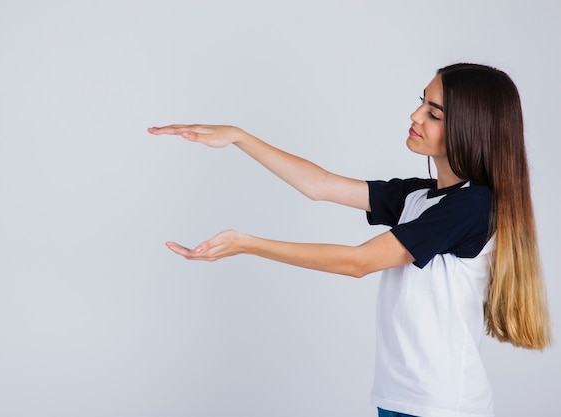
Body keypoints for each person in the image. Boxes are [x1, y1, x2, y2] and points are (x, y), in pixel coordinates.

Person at [147, 63, 551, 417]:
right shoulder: (420, 197)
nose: (415, 115)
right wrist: (239, 137)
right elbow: (319, 184)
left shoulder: (472, 206)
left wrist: (247, 244)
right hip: (398, 397)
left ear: (469, 127)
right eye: (421, 102)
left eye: (434, 112)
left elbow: (357, 262)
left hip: (441, 405)